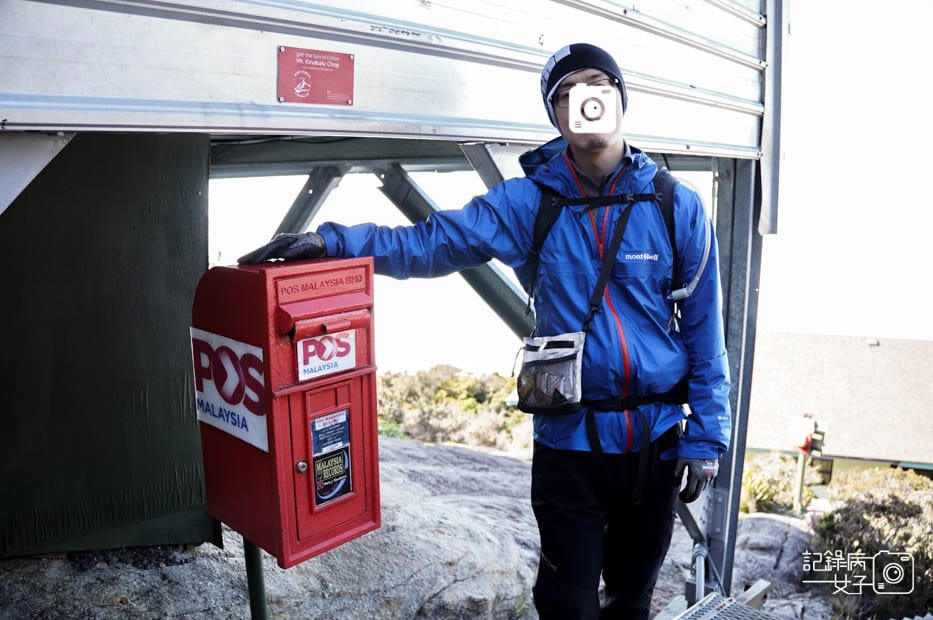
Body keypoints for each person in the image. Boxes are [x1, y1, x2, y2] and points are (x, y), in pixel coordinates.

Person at [239, 43, 731, 619]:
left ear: (620, 98)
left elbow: (704, 328)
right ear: (556, 116)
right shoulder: (529, 202)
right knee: (566, 604)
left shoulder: (676, 205)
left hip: (656, 444)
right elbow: (430, 242)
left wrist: (706, 440)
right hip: (569, 446)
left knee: (631, 599)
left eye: (598, 84)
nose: (585, 100)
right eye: (567, 93)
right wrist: (333, 242)